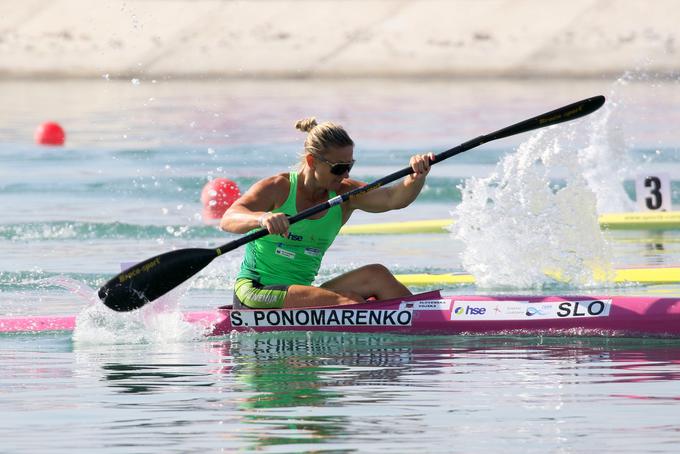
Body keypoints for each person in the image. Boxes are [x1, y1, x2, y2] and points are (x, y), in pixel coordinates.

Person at [220, 117, 434, 309]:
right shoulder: (278, 187)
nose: (346, 174)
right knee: (348, 302)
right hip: (256, 291)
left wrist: (416, 177)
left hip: (299, 292)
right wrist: (262, 218)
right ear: (312, 161)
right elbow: (229, 218)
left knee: (377, 275)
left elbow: (393, 198)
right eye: (339, 168)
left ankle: (431, 318)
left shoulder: (345, 194)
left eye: (350, 165)